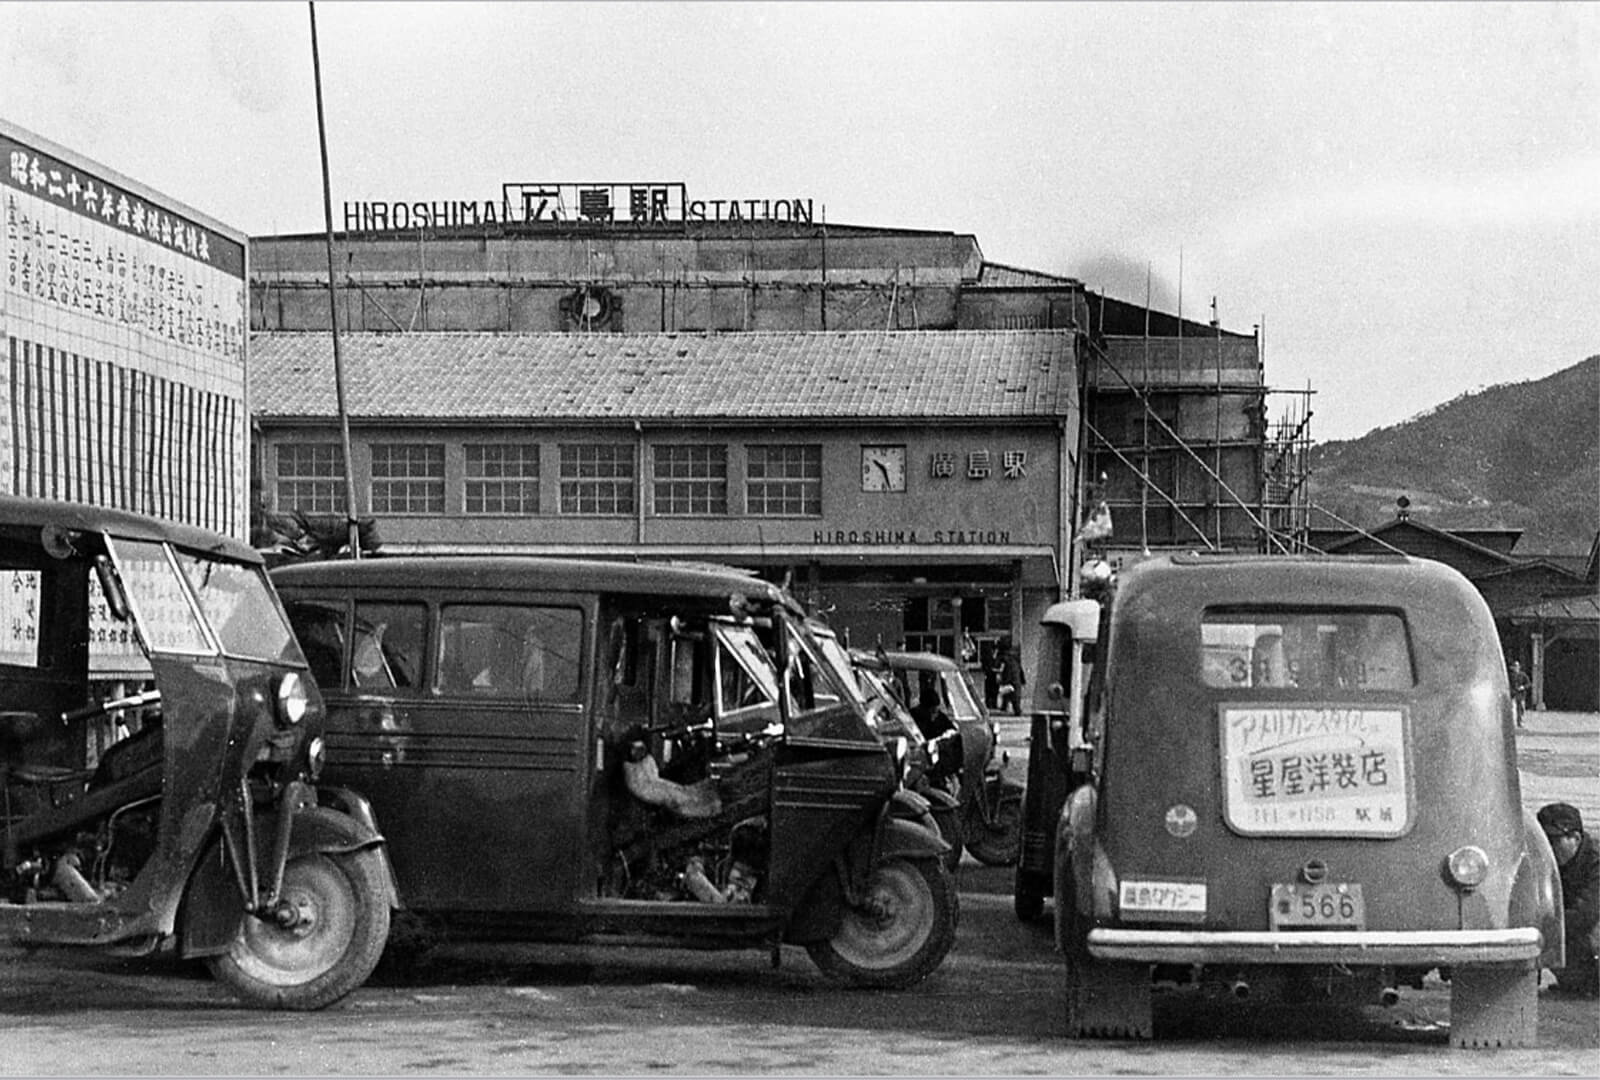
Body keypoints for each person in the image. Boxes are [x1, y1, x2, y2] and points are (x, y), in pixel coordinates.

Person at [1537, 802, 1599, 998]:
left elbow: (1585, 915)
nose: (1549, 847)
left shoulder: (1595, 863)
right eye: (1543, 840)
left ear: (1576, 838)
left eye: (1554, 840)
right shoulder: (1543, 861)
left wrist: (1541, 929)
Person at [996, 636, 1026, 716]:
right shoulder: (1014, 658)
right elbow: (1020, 669)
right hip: (1016, 679)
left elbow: (1000, 668)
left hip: (1009, 678)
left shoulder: (1003, 658)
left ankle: (1009, 708)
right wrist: (1023, 680)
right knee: (1015, 696)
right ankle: (1016, 710)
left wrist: (1002, 679)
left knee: (1009, 694)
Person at [1508, 660, 1531, 728]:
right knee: (1513, 709)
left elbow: (1528, 684)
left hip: (1521, 695)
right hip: (1513, 694)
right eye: (1515, 666)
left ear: (1519, 667)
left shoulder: (1523, 675)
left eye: (1517, 666)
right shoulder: (1510, 675)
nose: (1516, 667)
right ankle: (1513, 723)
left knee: (1521, 709)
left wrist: (1523, 687)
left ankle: (1520, 722)